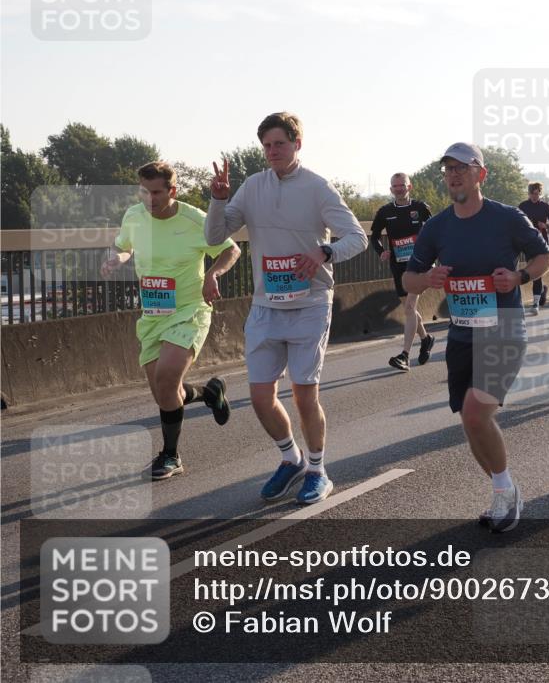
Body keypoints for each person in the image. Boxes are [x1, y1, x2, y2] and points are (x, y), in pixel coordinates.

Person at [205, 112, 368, 505]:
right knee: (261, 396)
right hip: (265, 305)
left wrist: (325, 251)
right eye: (266, 146)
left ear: (297, 144)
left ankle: (317, 469)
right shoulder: (252, 186)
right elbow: (214, 236)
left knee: (303, 393)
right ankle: (290, 458)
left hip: (310, 304)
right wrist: (218, 198)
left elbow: (358, 238)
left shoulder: (317, 188)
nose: (272, 151)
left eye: (279, 143)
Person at [404, 142, 549, 533]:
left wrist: (520, 277)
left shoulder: (506, 218)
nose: (454, 174)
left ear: (480, 174)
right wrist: (427, 279)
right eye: (448, 169)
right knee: (470, 423)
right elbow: (408, 278)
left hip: (504, 328)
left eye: (462, 168)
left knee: (475, 412)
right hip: (462, 335)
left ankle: (506, 491)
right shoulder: (437, 226)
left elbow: (545, 258)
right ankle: (504, 491)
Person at [103, 162, 240, 479]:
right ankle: (209, 393)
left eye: (155, 193)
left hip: (189, 310)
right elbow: (124, 246)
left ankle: (170, 456)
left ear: (172, 191)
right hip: (152, 314)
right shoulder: (134, 215)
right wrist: (116, 258)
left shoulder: (194, 219)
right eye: (143, 191)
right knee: (165, 393)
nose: (148, 199)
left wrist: (212, 274)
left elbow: (230, 250)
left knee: (167, 377)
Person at [370, 173, 435, 371]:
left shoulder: (420, 208)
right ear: (391, 189)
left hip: (418, 266)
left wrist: (429, 253)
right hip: (398, 265)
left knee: (408, 309)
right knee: (410, 310)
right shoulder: (385, 211)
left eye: (402, 185)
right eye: (395, 186)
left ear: (410, 187)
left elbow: (434, 233)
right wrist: (382, 251)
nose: (399, 189)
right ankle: (426, 339)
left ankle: (405, 355)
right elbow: (374, 237)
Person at [518, 182, 549, 315]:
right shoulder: (523, 206)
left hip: (542, 242)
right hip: (528, 242)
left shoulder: (545, 206)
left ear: (539, 193)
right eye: (532, 193)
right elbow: (516, 223)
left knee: (536, 273)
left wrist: (545, 225)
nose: (534, 196)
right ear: (529, 193)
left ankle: (535, 304)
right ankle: (542, 291)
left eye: (537, 194)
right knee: (533, 271)